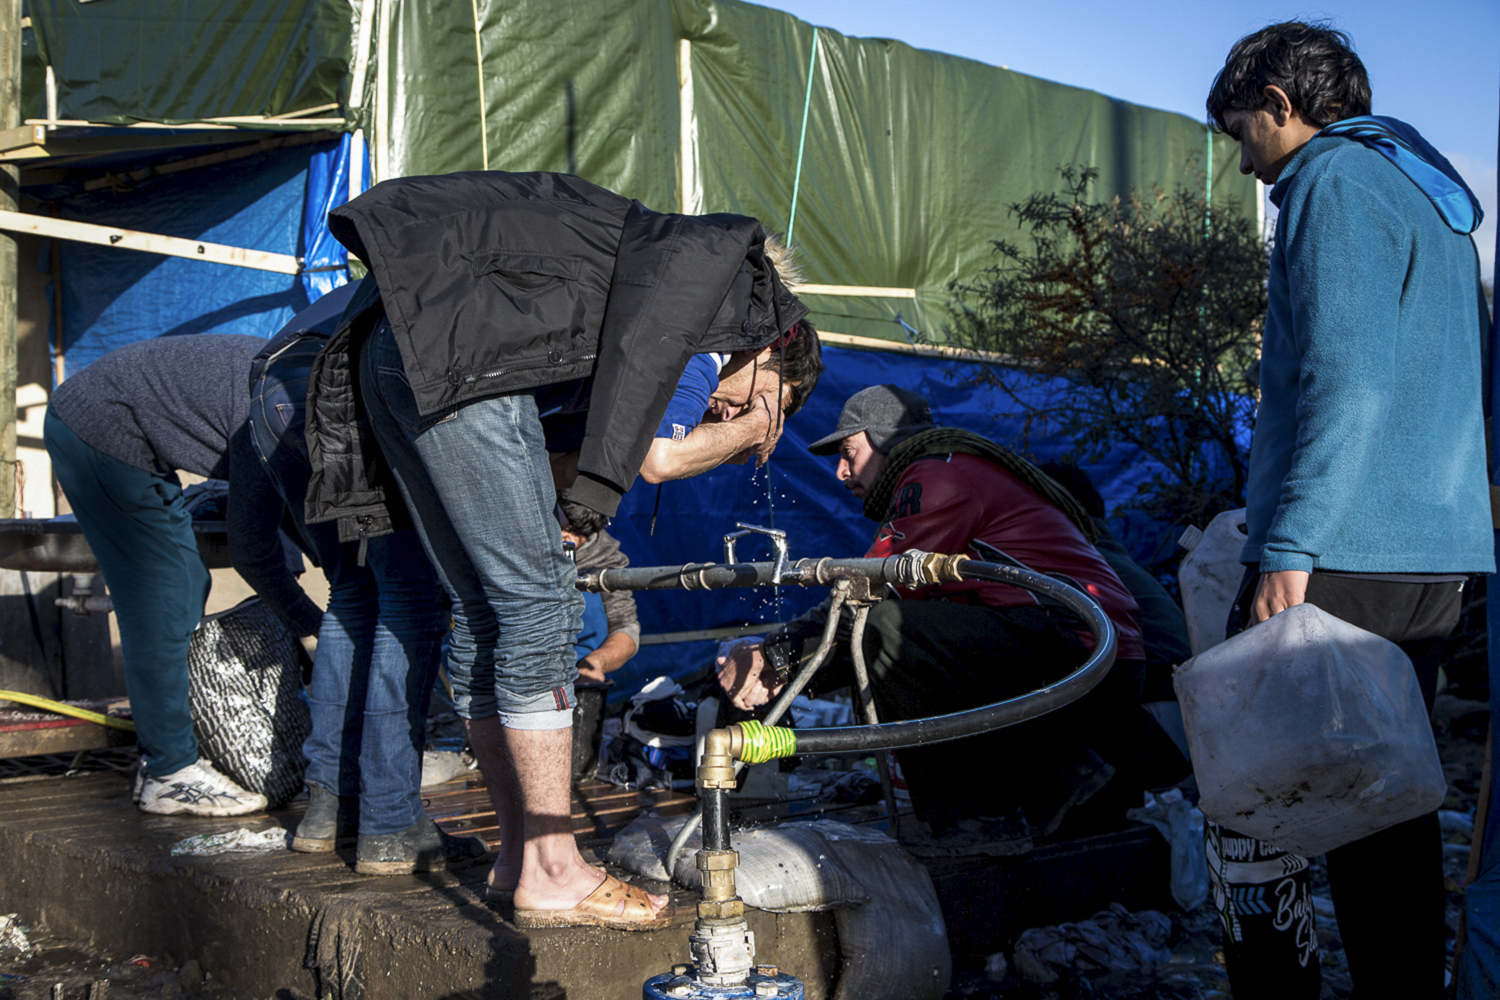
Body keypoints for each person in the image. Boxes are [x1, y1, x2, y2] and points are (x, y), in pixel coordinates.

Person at [302, 171, 823, 930]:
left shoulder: (656, 279)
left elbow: (545, 461)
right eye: (758, 397)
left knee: (483, 616)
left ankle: (520, 858)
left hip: (404, 343)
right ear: (774, 353)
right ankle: (553, 867)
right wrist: (752, 430)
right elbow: (659, 458)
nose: (727, 409)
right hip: (458, 350)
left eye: (739, 414)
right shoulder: (730, 317)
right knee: (543, 605)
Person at [1205, 22, 1492, 999]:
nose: (1246, 161)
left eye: (1244, 131)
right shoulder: (1430, 195)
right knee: (1386, 803)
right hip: (1429, 556)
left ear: (1283, 104)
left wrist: (1290, 546)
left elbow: (1349, 379)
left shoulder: (1330, 179)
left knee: (1260, 797)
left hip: (1341, 549)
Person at [716, 385, 1156, 853]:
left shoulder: (934, 474)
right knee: (879, 633)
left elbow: (865, 594)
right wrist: (784, 662)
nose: (841, 471)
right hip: (1084, 655)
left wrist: (777, 653)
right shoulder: (955, 467)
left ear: (886, 438)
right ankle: (1049, 775)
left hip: (1081, 661)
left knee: (884, 628)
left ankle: (977, 816)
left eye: (849, 452)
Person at [246, 286, 487, 875]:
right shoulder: (477, 283)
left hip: (271, 397)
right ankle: (391, 822)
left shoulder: (390, 275)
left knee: (353, 592)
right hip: (344, 390)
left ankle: (329, 810)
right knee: (408, 597)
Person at [44, 334, 318, 816]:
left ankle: (171, 755)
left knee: (206, 579)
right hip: (99, 424)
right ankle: (169, 772)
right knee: (166, 591)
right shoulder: (273, 417)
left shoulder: (313, 402)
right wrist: (312, 624)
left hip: (141, 419)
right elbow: (252, 553)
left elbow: (310, 527)